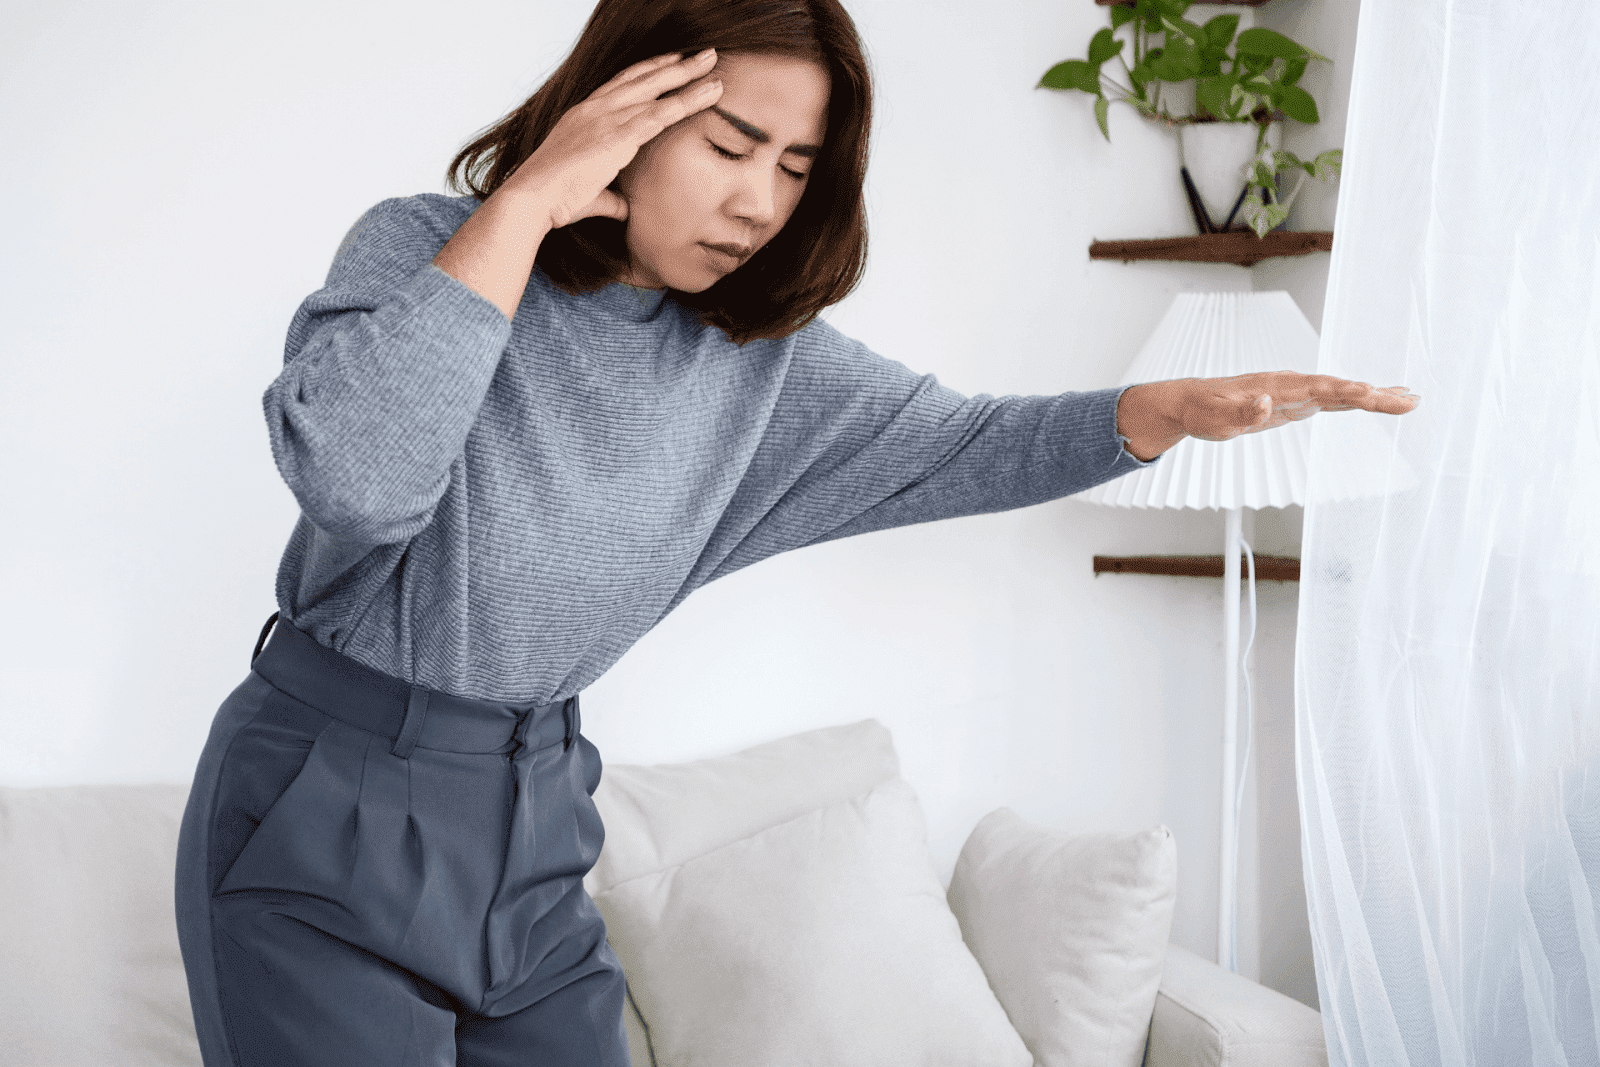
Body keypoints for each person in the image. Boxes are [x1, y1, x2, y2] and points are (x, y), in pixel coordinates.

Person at [173, 1, 1420, 1064]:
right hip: (326, 792)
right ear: (622, 108)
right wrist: (533, 198)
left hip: (537, 813)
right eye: (732, 144)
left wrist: (1150, 415)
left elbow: (959, 442)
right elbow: (359, 480)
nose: (761, 200)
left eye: (796, 165)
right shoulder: (421, 250)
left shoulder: (755, 364)